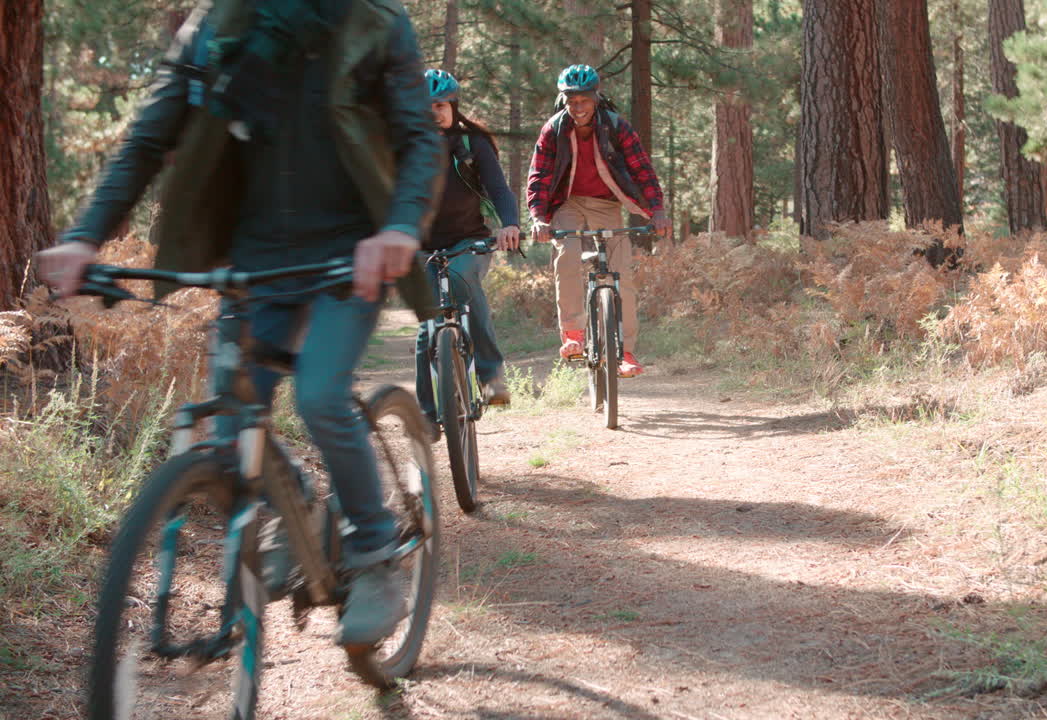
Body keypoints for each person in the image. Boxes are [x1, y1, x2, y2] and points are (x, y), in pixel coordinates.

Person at [36, 0, 445, 646]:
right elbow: (149, 138)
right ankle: (304, 507)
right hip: (256, 265)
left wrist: (398, 228)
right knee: (230, 432)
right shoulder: (217, 27)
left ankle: (377, 552)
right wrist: (86, 236)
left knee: (319, 395)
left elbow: (421, 139)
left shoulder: (374, 24)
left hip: (351, 257)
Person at [526, 64, 673, 378]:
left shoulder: (616, 126)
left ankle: (625, 351)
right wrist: (538, 216)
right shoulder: (554, 129)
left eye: (584, 101)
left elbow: (642, 170)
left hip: (606, 204)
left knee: (622, 276)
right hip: (566, 203)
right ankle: (574, 334)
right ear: (563, 100)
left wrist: (657, 210)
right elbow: (539, 175)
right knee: (567, 256)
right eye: (571, 101)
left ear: (596, 98)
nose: (577, 108)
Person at [416, 69, 521, 418]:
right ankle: (428, 413)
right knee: (427, 325)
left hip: (468, 241)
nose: (435, 112)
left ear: (454, 106)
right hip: (421, 247)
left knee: (465, 285)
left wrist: (509, 224)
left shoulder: (472, 143)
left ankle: (491, 378)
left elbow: (499, 188)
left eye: (441, 105)